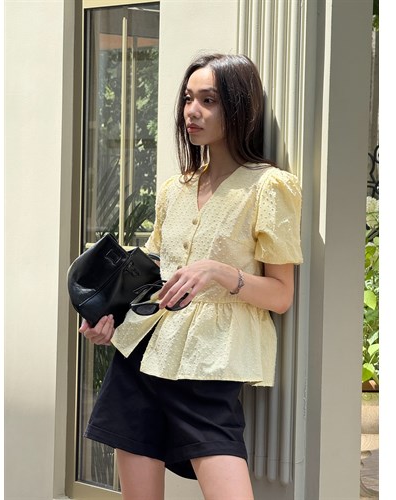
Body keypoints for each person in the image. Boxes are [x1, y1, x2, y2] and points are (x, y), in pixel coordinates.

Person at [79, 53, 303, 500]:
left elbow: (281, 295)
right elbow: (152, 276)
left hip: (210, 365)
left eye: (208, 100)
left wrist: (219, 271)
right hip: (141, 358)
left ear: (238, 107)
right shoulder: (174, 189)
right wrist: (108, 317)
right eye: (187, 99)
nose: (191, 112)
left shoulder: (269, 187)